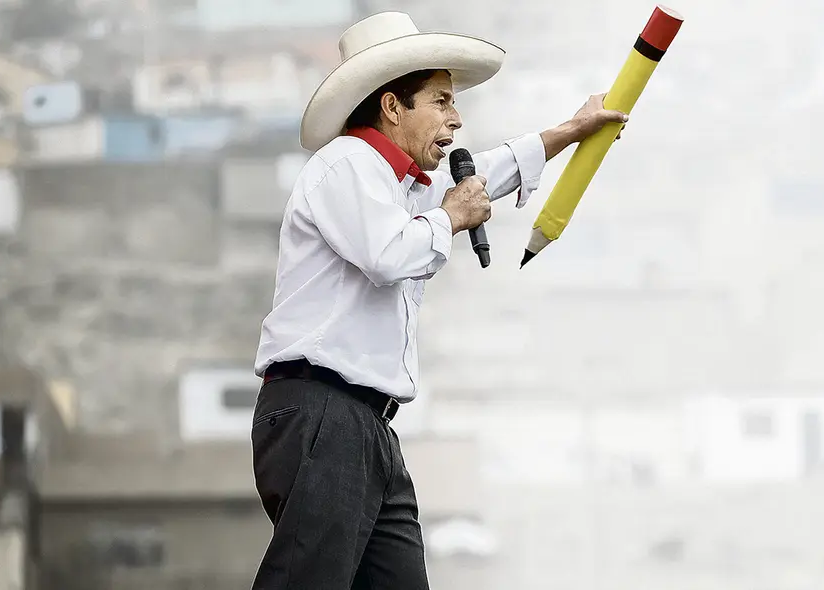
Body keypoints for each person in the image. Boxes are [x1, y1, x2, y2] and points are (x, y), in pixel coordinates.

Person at [249, 11, 628, 590]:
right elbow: (387, 255)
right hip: (323, 412)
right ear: (393, 107)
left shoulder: (401, 185)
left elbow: (485, 176)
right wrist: (451, 217)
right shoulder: (346, 164)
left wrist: (566, 132)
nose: (456, 118)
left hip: (367, 423)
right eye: (442, 101)